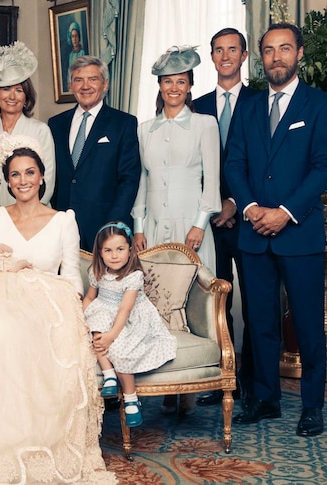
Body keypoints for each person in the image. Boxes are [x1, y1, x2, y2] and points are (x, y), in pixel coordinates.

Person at [0, 134, 115, 485]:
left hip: (47, 300)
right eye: (15, 175)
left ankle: (41, 443)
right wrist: (2, 267)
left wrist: (63, 304)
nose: (23, 181)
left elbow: (72, 278)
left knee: (36, 334)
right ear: (7, 180)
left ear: (42, 176)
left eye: (30, 172)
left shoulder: (64, 220)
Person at [225, 23, 327, 437]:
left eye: (285, 49)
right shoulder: (249, 106)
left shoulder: (322, 105)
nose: (276, 57)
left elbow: (325, 167)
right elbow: (234, 163)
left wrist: (286, 211)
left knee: (308, 325)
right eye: (269, 50)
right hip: (254, 233)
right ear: (261, 57)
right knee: (261, 325)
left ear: (300, 53)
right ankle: (266, 400)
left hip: (299, 233)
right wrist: (253, 208)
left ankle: (312, 407)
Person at [133, 45, 220, 416]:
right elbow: (142, 180)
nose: (174, 88)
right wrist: (138, 225)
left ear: (189, 86)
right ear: (159, 85)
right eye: (168, 81)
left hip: (190, 223)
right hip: (153, 225)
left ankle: (194, 382)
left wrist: (200, 225)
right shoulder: (144, 129)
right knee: (155, 302)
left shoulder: (205, 124)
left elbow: (212, 181)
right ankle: (165, 379)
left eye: (180, 82)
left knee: (193, 299)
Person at [193, 28, 259, 407]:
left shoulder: (258, 101)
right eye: (218, 50)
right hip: (208, 222)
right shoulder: (197, 105)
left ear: (244, 55)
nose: (225, 56)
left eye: (232, 49)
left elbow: (263, 161)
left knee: (254, 302)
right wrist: (213, 205)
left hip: (248, 219)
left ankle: (252, 380)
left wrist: (235, 201)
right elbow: (192, 165)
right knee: (215, 303)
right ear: (213, 57)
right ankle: (223, 378)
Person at [83, 222, 178, 428]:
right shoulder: (96, 272)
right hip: (104, 312)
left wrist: (111, 336)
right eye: (108, 250)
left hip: (130, 319)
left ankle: (131, 398)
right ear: (100, 253)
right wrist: (82, 321)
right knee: (95, 326)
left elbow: (125, 310)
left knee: (119, 349)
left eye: (120, 249)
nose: (114, 255)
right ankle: (109, 375)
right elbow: (90, 298)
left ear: (130, 250)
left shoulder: (134, 276)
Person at [49, 55, 141, 250]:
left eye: (93, 79)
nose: (85, 86)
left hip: (105, 227)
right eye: (78, 80)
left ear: (105, 84)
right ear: (70, 85)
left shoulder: (123, 123)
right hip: (61, 225)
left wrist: (113, 226)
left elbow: (129, 179)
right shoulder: (56, 124)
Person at [0, 41, 55, 205]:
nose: (12, 96)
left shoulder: (40, 131)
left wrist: (26, 217)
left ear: (26, 97)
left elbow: (48, 183)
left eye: (18, 90)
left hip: (30, 215)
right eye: (6, 89)